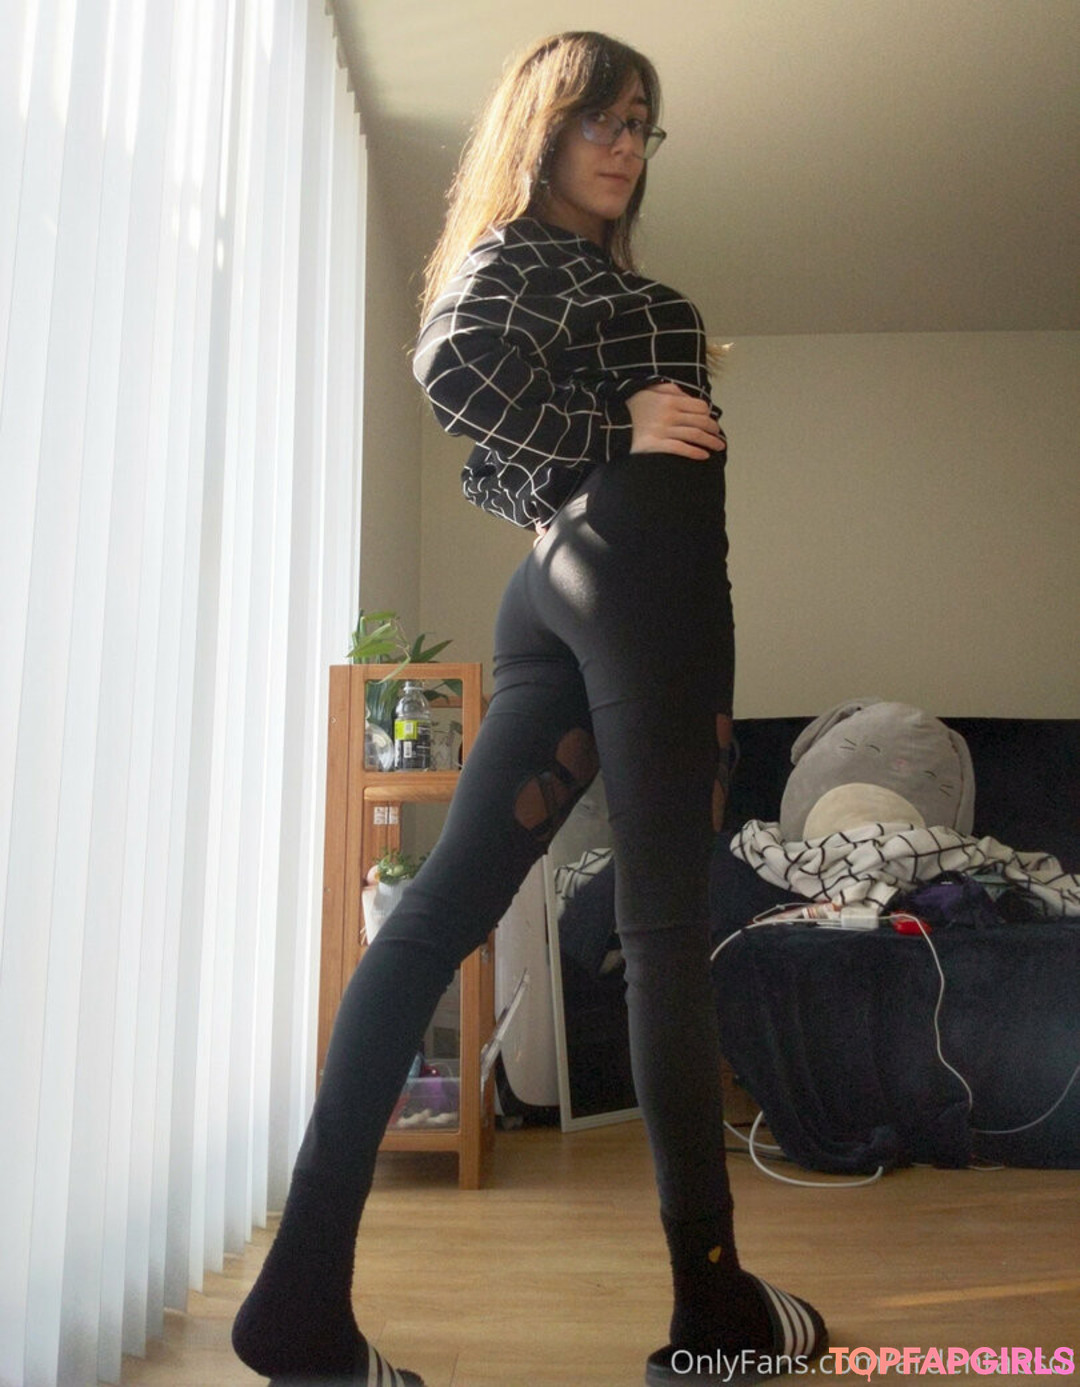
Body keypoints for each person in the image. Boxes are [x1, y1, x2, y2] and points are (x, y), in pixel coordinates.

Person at [233, 31, 827, 1387]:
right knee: (667, 933)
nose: (623, 146)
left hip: (557, 586)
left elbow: (500, 466)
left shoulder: (572, 281)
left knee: (437, 915)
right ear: (539, 130)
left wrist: (589, 452)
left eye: (640, 124)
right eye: (597, 119)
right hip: (644, 579)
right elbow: (451, 367)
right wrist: (622, 437)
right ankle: (714, 1310)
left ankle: (300, 1304)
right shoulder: (524, 255)